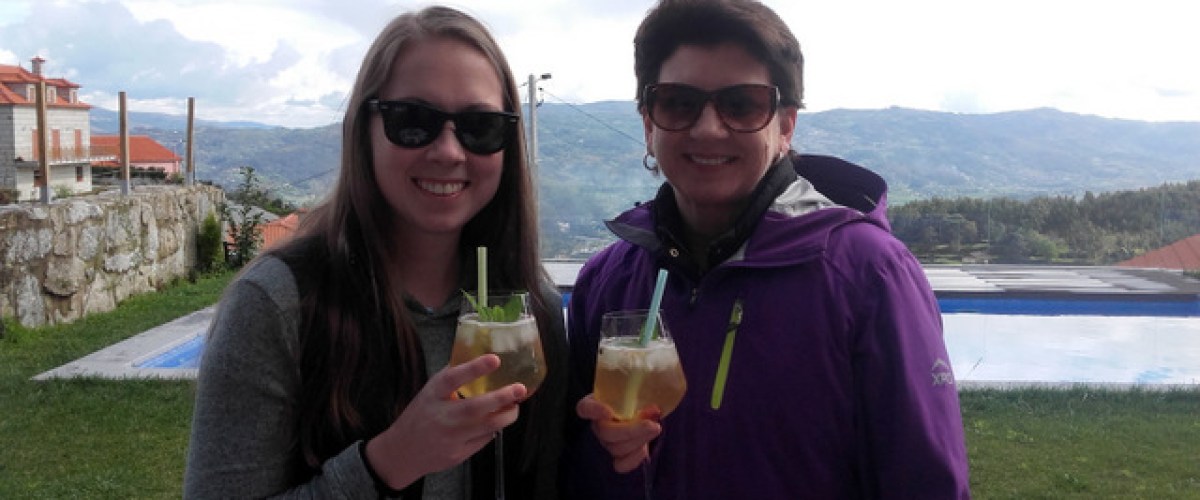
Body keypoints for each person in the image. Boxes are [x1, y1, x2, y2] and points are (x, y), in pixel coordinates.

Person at [562, 0, 971, 498]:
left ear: (786, 125)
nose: (708, 128)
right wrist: (603, 452)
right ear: (649, 123)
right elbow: (572, 469)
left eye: (742, 104)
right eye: (678, 102)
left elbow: (925, 482)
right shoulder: (607, 281)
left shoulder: (869, 274)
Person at [184, 6, 567, 499]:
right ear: (363, 129)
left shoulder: (532, 311)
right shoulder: (277, 305)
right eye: (413, 120)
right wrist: (387, 462)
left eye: (480, 125)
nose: (449, 151)